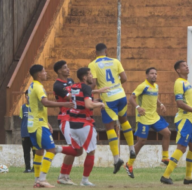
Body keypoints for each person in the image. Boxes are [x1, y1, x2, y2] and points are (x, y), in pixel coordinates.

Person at [88, 43, 135, 174]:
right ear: (106, 51)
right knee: (124, 121)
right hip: (121, 95)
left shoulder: (93, 64)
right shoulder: (115, 61)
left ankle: (116, 159)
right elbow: (124, 78)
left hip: (108, 99)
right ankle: (132, 148)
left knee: (110, 128)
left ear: (95, 52)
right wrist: (116, 86)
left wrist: (88, 89)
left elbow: (93, 83)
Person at [55, 67, 105, 186]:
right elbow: (88, 105)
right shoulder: (86, 87)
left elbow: (81, 98)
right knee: (91, 152)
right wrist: (100, 104)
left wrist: (94, 98)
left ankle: (58, 149)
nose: (92, 76)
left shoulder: (73, 86)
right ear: (84, 77)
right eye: (90, 74)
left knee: (77, 150)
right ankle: (85, 180)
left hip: (72, 123)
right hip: (85, 123)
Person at [160, 60, 192, 185]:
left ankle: (188, 178)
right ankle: (165, 175)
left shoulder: (187, 83)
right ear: (178, 70)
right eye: (183, 66)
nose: (187, 66)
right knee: (182, 147)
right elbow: (180, 104)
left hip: (191, 120)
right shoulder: (179, 83)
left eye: (187, 65)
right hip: (184, 119)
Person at [27, 64, 74, 188]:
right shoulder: (39, 87)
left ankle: (37, 180)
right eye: (43, 71)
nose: (46, 73)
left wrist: (46, 122)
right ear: (38, 74)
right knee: (51, 150)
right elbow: (45, 103)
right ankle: (42, 179)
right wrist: (64, 103)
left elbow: (36, 106)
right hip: (38, 125)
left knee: (39, 151)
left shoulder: (32, 86)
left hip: (34, 123)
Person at [124, 67, 171, 178]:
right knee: (142, 142)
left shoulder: (156, 86)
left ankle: (165, 157)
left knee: (167, 133)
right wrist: (138, 107)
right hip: (143, 118)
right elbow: (131, 98)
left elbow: (155, 97)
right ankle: (129, 164)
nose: (154, 75)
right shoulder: (142, 86)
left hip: (154, 117)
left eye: (155, 73)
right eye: (151, 73)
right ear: (146, 75)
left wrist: (161, 104)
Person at [53, 60, 76, 185]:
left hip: (74, 118)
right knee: (73, 147)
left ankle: (65, 176)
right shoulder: (57, 85)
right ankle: (62, 176)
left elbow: (78, 93)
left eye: (67, 67)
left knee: (75, 148)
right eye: (65, 68)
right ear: (59, 71)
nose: (68, 69)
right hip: (65, 118)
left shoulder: (70, 81)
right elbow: (72, 97)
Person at [19, 90, 35, 173]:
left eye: (30, 95)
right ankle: (27, 168)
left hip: (34, 133)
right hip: (25, 133)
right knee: (26, 152)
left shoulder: (35, 107)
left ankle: (35, 168)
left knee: (35, 151)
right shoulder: (23, 107)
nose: (28, 96)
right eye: (27, 95)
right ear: (25, 96)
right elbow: (21, 119)